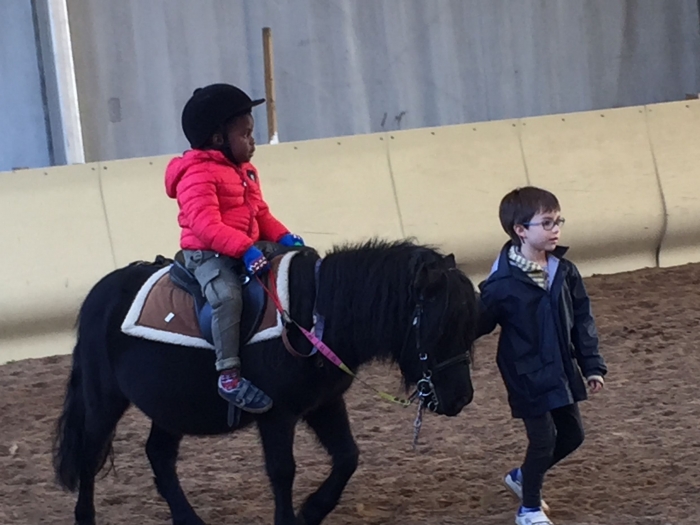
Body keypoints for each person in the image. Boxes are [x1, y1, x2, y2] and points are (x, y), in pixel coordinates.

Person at [165, 83, 304, 413]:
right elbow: (206, 226)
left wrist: (284, 239)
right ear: (218, 139)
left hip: (244, 247)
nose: (252, 141)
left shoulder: (245, 171)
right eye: (245, 134)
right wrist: (246, 249)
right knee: (227, 297)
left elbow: (260, 213)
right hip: (209, 254)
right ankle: (228, 374)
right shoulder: (197, 175)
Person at [477, 186, 607, 525]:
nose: (556, 229)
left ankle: (522, 477)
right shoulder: (499, 284)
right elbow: (477, 325)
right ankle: (529, 509)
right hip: (524, 373)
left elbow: (582, 319)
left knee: (573, 436)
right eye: (547, 223)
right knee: (544, 439)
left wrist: (591, 364)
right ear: (520, 230)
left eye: (558, 221)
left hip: (561, 368)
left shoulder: (565, 271)